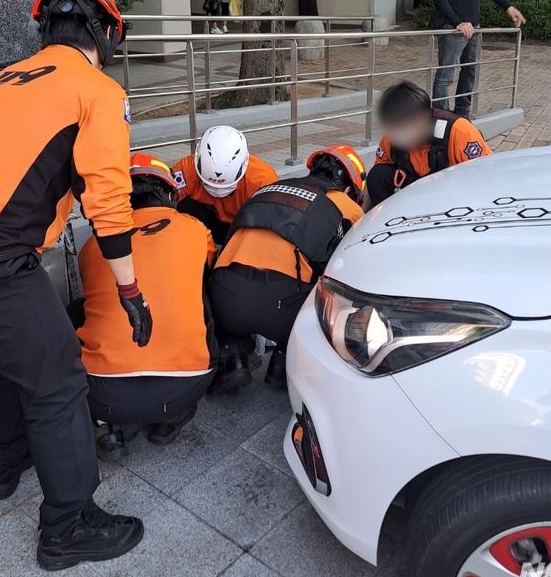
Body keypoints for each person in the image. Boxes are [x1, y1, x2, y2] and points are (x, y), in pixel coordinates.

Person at [0, 0, 150, 570]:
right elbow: (109, 200)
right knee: (59, 381)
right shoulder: (94, 89)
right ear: (105, 33)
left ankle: (5, 465)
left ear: (46, 27)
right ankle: (67, 526)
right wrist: (130, 288)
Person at [75, 153, 218, 459]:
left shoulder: (90, 247)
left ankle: (106, 428)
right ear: (168, 193)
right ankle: (169, 420)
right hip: (184, 386)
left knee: (83, 309)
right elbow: (209, 268)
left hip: (101, 393)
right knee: (200, 294)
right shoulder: (194, 228)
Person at [208, 145, 365, 392]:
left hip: (226, 299)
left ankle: (233, 357)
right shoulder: (346, 205)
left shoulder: (268, 188)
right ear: (348, 187)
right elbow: (357, 260)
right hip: (282, 309)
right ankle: (283, 363)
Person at [364, 81, 491, 209]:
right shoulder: (391, 137)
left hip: (452, 196)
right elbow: (377, 176)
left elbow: (485, 175)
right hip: (413, 192)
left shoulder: (459, 131)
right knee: (378, 175)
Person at [431, 0, 526, 116]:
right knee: (446, 75)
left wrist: (508, 7)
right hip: (453, 29)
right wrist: (458, 22)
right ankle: (442, 119)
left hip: (474, 28)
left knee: (470, 72)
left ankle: (463, 114)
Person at [172, 126, 279, 244]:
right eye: (207, 185)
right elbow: (163, 207)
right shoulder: (185, 170)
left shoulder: (263, 181)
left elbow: (273, 224)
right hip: (205, 224)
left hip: (244, 229)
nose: (217, 192)